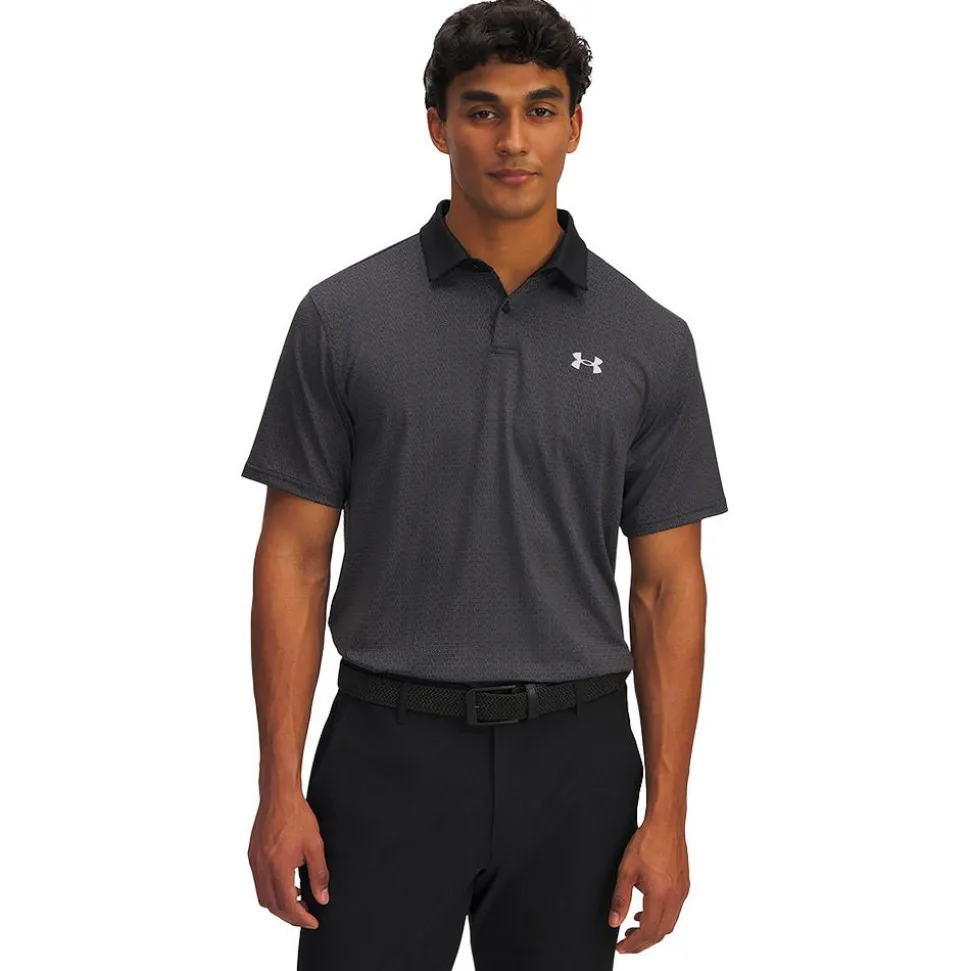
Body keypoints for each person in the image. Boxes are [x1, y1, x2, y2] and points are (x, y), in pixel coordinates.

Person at [241, 1, 728, 967]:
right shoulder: (342, 319)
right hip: (386, 753)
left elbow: (669, 585)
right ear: (438, 125)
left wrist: (669, 812)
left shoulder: (650, 339)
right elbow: (293, 557)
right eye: (482, 110)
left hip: (578, 762)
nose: (513, 140)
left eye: (540, 110)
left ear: (575, 127)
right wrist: (278, 787)